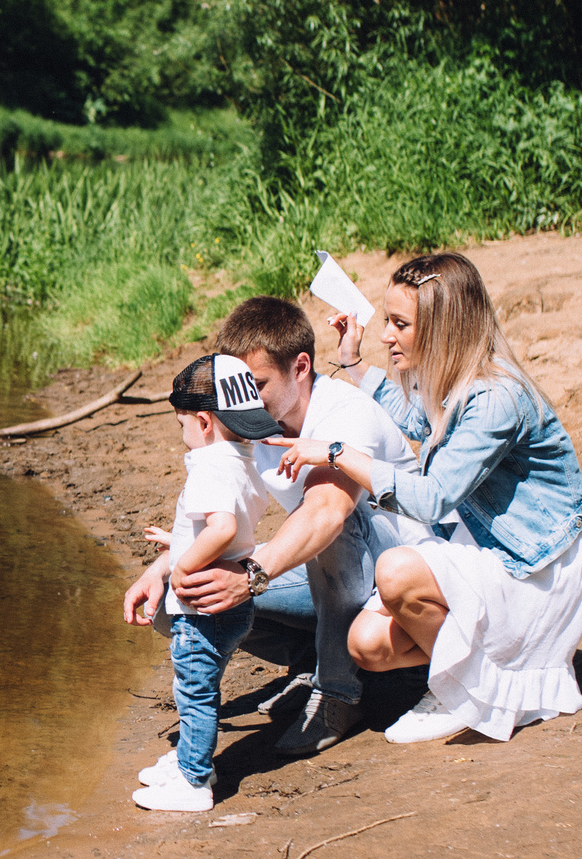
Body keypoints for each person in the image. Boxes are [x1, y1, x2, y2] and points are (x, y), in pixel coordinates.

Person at [265, 251, 582, 745]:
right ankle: (463, 670)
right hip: (490, 550)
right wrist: (353, 361)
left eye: (399, 323)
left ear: (443, 327)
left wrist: (334, 452)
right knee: (366, 643)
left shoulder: (496, 398)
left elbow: (432, 500)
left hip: (535, 569)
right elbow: (416, 417)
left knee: (395, 571)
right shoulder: (459, 380)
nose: (385, 334)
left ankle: (462, 692)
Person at [169, 297, 431, 757]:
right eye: (239, 389)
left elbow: (326, 511)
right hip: (339, 580)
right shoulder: (254, 419)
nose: (245, 402)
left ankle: (338, 692)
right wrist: (165, 570)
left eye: (259, 384)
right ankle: (311, 660)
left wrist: (249, 578)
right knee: (184, 600)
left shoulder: (344, 412)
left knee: (333, 523)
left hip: (403, 575)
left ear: (301, 366)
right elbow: (223, 506)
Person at [119, 353, 277, 812]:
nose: (183, 435)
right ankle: (191, 759)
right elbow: (232, 524)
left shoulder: (208, 464)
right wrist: (180, 538)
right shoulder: (246, 458)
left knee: (194, 693)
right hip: (235, 608)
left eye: (182, 424)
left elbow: (223, 528)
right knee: (201, 687)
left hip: (203, 609)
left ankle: (193, 782)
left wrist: (183, 568)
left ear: (204, 422)